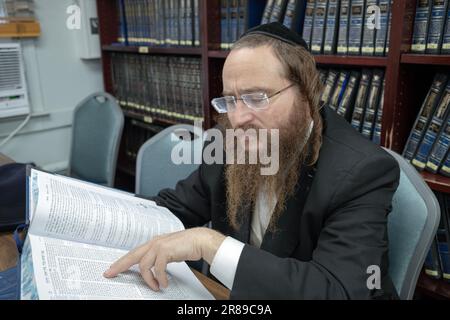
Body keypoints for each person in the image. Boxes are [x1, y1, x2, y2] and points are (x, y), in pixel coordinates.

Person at [103, 22, 400, 299]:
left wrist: (209, 244)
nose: (238, 118)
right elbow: (179, 206)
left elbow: (338, 289)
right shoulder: (230, 139)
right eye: (230, 100)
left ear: (308, 94)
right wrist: (96, 215)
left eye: (257, 97)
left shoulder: (362, 172)